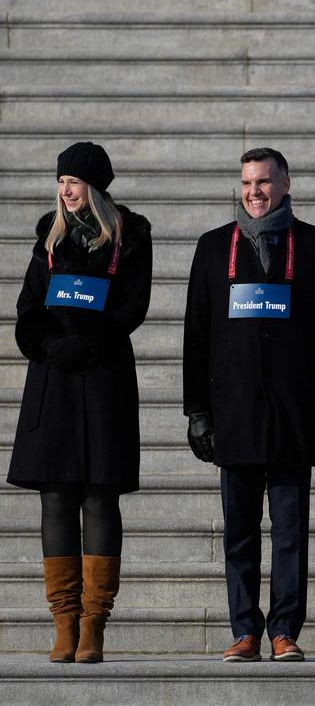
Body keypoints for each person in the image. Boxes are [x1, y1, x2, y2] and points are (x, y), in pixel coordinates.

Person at [183, 148, 315, 663]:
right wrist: (197, 413)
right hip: (233, 415)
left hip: (292, 416)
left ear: (285, 183)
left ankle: (284, 630)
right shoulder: (214, 248)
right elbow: (196, 335)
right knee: (238, 533)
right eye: (247, 182)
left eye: (263, 181)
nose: (254, 191)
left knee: (290, 532)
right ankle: (245, 630)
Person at [7, 142, 152, 663]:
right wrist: (48, 346)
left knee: (99, 495)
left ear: (96, 186)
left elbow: (134, 306)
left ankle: (94, 622)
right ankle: (63, 621)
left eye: (75, 181)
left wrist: (87, 343)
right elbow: (27, 305)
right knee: (56, 497)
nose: (66, 190)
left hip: (104, 376)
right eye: (61, 180)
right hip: (54, 380)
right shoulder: (50, 231)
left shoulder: (131, 233)